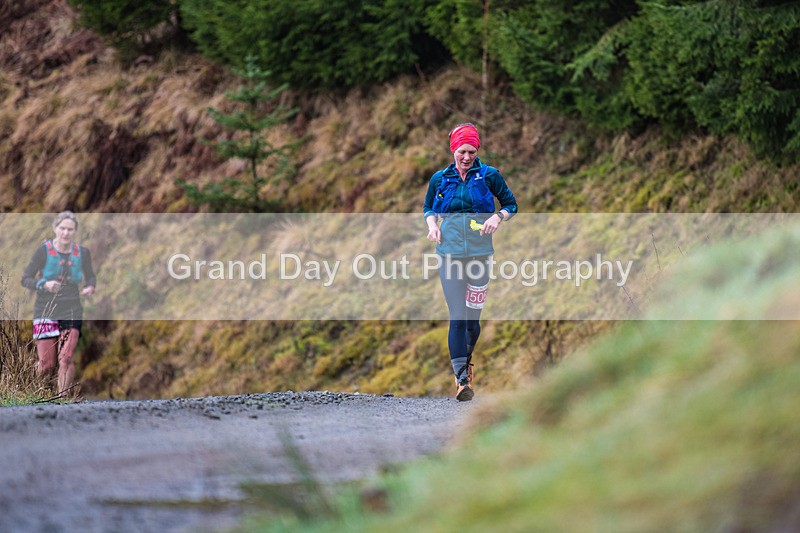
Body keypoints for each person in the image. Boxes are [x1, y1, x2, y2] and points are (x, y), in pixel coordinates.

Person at [423, 123, 517, 401]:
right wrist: (432, 225)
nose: (466, 157)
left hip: (480, 255)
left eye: (472, 152)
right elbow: (429, 207)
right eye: (462, 151)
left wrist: (497, 217)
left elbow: (511, 204)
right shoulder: (440, 179)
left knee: (473, 319)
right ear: (454, 150)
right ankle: (462, 380)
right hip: (449, 254)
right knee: (458, 316)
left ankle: (466, 361)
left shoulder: (489, 176)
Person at [21, 211, 96, 396]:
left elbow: (90, 275)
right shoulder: (43, 250)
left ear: (75, 231)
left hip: (71, 308)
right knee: (47, 364)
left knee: (66, 358)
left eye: (70, 229)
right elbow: (25, 278)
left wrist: (90, 287)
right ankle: (30, 392)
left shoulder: (82, 253)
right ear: (55, 228)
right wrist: (44, 284)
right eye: (62, 228)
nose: (66, 233)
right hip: (46, 308)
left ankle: (62, 399)